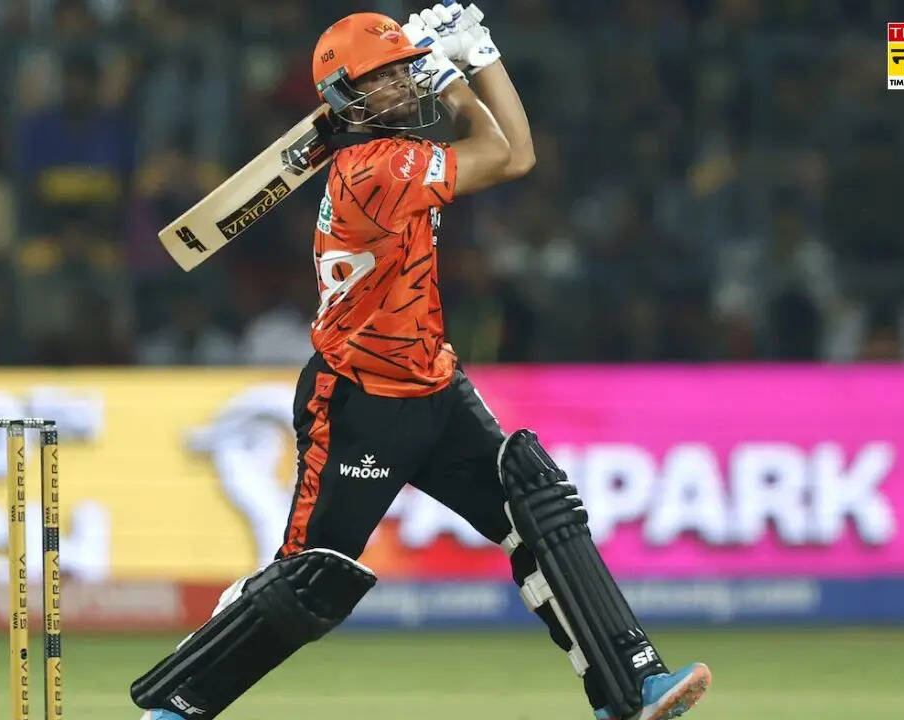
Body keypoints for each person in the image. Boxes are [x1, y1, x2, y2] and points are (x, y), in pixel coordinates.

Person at [131, 6, 710, 720]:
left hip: (434, 384)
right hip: (359, 401)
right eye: (385, 78)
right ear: (346, 98)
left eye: (405, 70)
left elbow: (506, 153)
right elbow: (509, 154)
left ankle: (630, 689)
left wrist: (464, 64)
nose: (404, 85)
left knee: (537, 507)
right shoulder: (376, 168)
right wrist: (466, 66)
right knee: (308, 581)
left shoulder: (395, 153)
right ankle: (175, 707)